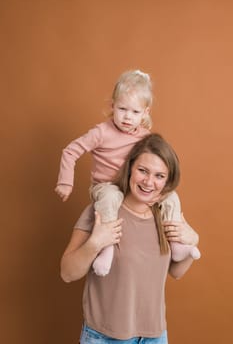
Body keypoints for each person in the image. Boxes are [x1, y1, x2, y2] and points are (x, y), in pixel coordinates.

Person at [56, 70, 200, 276]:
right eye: (122, 109)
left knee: (172, 197)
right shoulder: (101, 132)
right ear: (112, 106)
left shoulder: (144, 137)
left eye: (134, 112)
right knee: (111, 196)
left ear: (145, 113)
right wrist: (65, 181)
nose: (127, 117)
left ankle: (177, 244)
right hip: (106, 186)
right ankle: (106, 250)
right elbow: (71, 151)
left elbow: (176, 274)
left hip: (126, 186)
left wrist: (192, 238)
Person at [60, 133, 200, 343]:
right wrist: (95, 243)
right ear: (130, 169)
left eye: (159, 176)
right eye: (142, 171)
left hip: (155, 337)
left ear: (167, 180)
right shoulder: (102, 211)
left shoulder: (163, 215)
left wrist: (192, 240)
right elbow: (67, 273)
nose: (149, 182)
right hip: (105, 337)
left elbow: (176, 272)